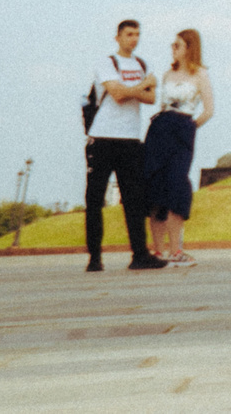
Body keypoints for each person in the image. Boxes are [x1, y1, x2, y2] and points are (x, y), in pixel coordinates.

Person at [85, 19, 165, 273]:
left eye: (137, 34)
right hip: (103, 137)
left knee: (134, 199)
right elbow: (117, 95)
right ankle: (95, 257)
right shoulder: (107, 63)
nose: (134, 39)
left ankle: (139, 254)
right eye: (129, 34)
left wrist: (132, 89)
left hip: (130, 139)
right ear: (118, 37)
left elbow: (151, 98)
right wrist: (141, 85)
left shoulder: (143, 64)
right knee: (95, 198)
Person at [143, 29, 215, 267]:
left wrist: (191, 126)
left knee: (177, 183)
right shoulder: (167, 74)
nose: (173, 49)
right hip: (161, 127)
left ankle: (176, 249)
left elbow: (208, 109)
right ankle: (158, 250)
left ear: (189, 47)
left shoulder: (200, 74)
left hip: (183, 127)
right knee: (155, 184)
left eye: (177, 45)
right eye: (172, 45)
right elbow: (162, 102)